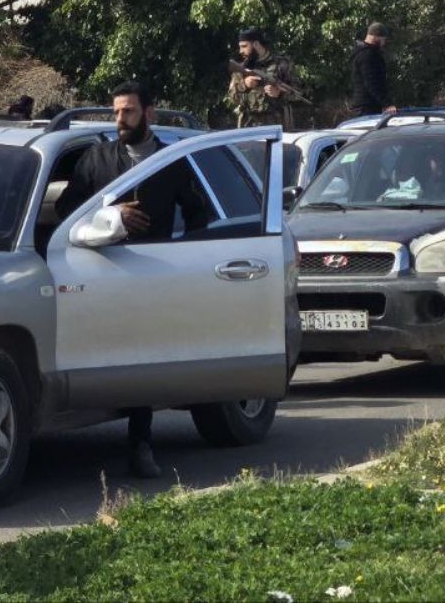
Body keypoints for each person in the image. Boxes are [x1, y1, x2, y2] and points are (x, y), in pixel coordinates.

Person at [54, 81, 211, 478]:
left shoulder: (170, 160)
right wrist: (112, 213)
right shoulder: (97, 157)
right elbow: (68, 209)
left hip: (150, 275)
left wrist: (185, 257)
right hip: (96, 270)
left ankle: (140, 444)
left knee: (141, 357)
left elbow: (198, 214)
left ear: (150, 114)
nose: (120, 120)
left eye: (129, 112)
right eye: (117, 112)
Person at [229, 27, 297, 128]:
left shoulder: (282, 64)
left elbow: (300, 91)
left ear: (256, 44)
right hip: (248, 126)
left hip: (277, 126)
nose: (240, 51)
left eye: (244, 46)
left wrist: (279, 93)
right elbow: (232, 98)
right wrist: (244, 85)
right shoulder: (242, 68)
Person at [348, 22, 389, 116]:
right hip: (366, 108)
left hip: (368, 106)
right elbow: (372, 83)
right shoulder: (367, 55)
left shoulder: (367, 53)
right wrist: (387, 104)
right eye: (383, 39)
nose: (384, 43)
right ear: (376, 37)